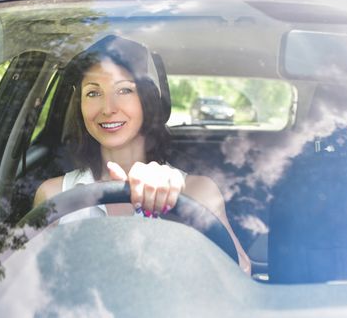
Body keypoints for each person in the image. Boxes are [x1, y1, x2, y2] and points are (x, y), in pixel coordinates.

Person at [34, 34, 251, 273]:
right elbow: (27, 288)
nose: (108, 108)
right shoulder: (53, 195)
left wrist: (179, 209)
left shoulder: (197, 192)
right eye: (93, 93)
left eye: (124, 90)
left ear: (149, 100)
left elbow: (241, 274)